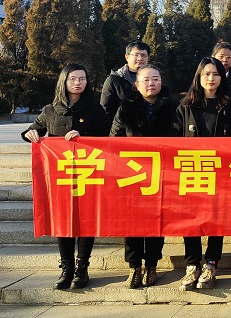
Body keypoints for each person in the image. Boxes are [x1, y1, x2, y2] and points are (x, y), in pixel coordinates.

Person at [22, 63, 108, 290]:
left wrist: (84, 135)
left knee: (86, 220)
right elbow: (33, 129)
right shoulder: (50, 110)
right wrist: (29, 133)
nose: (78, 83)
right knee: (63, 219)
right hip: (61, 176)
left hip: (88, 174)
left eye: (82, 79)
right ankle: (66, 267)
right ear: (64, 81)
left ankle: (82, 267)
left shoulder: (95, 109)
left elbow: (107, 135)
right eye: (73, 79)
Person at [173, 57, 231, 290]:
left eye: (216, 74)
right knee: (190, 220)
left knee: (216, 220)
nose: (211, 78)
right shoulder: (185, 105)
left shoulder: (229, 105)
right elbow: (172, 137)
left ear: (222, 78)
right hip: (191, 171)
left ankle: (211, 264)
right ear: (199, 77)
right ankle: (192, 265)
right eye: (206, 74)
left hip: (220, 173)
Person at [110, 64, 175, 288]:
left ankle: (152, 265)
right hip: (132, 173)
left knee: (156, 220)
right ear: (136, 85)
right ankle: (134, 266)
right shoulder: (126, 107)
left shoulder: (172, 106)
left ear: (161, 82)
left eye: (155, 79)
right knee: (132, 221)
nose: (151, 83)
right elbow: (114, 138)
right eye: (146, 80)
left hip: (162, 173)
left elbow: (179, 138)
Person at [100, 40, 150, 122]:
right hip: (121, 126)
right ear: (127, 57)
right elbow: (106, 110)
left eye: (143, 55)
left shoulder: (154, 78)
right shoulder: (115, 79)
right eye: (136, 55)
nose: (140, 58)